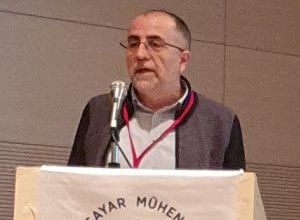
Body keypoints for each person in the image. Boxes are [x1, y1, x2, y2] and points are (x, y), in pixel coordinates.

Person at [68, 11, 247, 170]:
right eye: (133, 43)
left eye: (155, 44)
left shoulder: (219, 122)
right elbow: (72, 186)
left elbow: (236, 195)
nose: (140, 54)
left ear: (182, 60)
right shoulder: (101, 111)